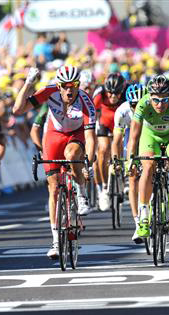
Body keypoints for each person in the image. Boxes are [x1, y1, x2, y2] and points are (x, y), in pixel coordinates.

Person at [13, 65, 96, 259]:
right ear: (58, 86)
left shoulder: (85, 101)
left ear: (78, 85)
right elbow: (17, 109)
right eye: (65, 86)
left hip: (76, 135)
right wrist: (28, 84)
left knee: (71, 154)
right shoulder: (49, 92)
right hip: (54, 135)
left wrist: (88, 164)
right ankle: (56, 241)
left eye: (73, 85)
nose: (69, 89)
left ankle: (81, 193)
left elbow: (91, 138)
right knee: (53, 189)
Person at [127, 75, 169, 242]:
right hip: (150, 137)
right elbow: (133, 136)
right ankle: (144, 213)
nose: (160, 104)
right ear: (149, 97)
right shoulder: (143, 104)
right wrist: (130, 160)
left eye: (164, 100)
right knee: (147, 167)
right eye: (156, 100)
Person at [112, 83, 147, 242]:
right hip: (131, 139)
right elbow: (117, 140)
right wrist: (115, 160)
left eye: (140, 104)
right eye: (134, 105)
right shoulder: (122, 111)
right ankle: (138, 222)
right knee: (132, 177)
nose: (136, 108)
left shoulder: (152, 107)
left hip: (149, 137)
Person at [93, 72, 127, 211]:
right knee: (103, 150)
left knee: (121, 148)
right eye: (110, 93)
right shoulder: (99, 94)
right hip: (105, 122)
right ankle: (104, 188)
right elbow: (91, 113)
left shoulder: (127, 93)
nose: (113, 96)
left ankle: (123, 175)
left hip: (122, 122)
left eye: (116, 93)